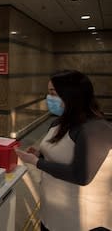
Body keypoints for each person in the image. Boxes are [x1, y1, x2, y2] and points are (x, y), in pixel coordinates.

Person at [16, 70, 112, 231]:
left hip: (83, 220)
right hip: (52, 211)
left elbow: (81, 175)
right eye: (48, 92)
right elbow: (63, 152)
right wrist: (40, 153)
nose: (49, 98)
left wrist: (36, 162)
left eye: (53, 92)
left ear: (72, 94)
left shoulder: (96, 129)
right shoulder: (60, 122)